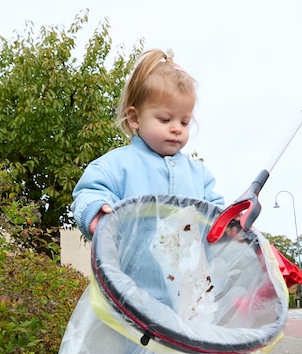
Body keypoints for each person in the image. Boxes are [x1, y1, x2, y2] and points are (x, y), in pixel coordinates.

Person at [71, 49, 224, 240]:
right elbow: (89, 192)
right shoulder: (116, 166)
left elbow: (217, 212)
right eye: (165, 119)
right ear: (135, 118)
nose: (177, 128)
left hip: (189, 269)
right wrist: (96, 210)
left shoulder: (199, 176)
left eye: (184, 122)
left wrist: (231, 224)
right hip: (127, 268)